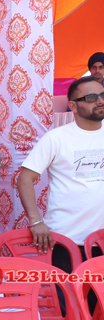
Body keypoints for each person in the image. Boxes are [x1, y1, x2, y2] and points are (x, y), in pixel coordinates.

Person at [18, 76, 104, 270]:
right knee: (67, 290)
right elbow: (25, 178)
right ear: (73, 106)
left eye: (102, 95)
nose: (100, 101)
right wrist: (36, 221)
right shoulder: (56, 138)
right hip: (67, 241)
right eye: (91, 97)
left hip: (101, 240)